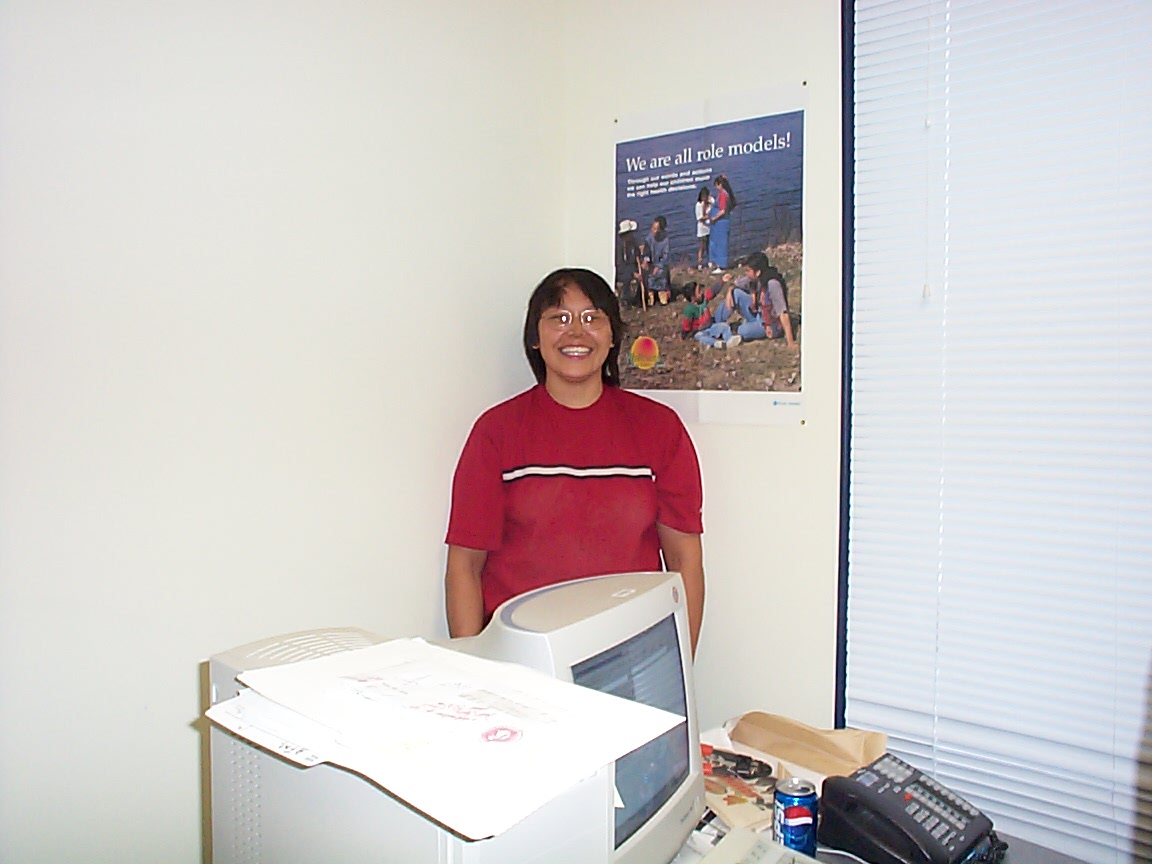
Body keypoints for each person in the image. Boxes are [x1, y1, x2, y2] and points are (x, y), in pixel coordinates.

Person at [444, 268, 706, 654]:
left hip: (629, 655)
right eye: (559, 318)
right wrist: (474, 669)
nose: (576, 333)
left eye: (592, 318)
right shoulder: (496, 432)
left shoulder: (659, 429)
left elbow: (684, 561)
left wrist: (678, 662)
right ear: (535, 337)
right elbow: (464, 568)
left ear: (613, 335)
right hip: (521, 659)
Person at [693, 252, 797, 350]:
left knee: (743, 331)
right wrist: (730, 291)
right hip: (757, 313)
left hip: (771, 323)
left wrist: (790, 341)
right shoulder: (753, 279)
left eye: (748, 270)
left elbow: (783, 313)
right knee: (736, 294)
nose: (746, 273)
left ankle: (725, 332)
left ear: (758, 272)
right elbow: (736, 283)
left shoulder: (773, 284)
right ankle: (713, 325)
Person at [709, 175, 737, 272]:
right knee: (717, 242)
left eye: (717, 185)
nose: (716, 188)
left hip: (721, 223)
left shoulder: (723, 194)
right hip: (719, 223)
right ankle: (718, 263)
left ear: (720, 184)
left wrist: (714, 218)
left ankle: (721, 266)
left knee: (721, 243)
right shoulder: (724, 194)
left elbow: (723, 210)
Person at [643, 215, 672, 305]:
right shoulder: (649, 238)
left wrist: (658, 266)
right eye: (653, 228)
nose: (653, 231)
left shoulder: (665, 240)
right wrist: (646, 260)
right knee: (647, 274)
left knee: (660, 273)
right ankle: (650, 293)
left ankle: (662, 292)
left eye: (656, 229)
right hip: (651, 264)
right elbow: (646, 251)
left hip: (661, 264)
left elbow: (666, 256)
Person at [614, 219, 643, 307]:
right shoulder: (618, 246)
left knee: (644, 274)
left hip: (631, 268)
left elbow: (636, 255)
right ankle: (626, 299)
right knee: (627, 278)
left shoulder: (633, 243)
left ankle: (639, 298)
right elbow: (621, 264)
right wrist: (633, 273)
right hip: (620, 271)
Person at [695, 187, 712, 270]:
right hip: (702, 228)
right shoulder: (698, 205)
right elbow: (699, 218)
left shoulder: (709, 203)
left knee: (709, 245)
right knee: (702, 247)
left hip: (709, 227)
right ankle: (700, 263)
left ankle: (710, 261)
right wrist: (707, 216)